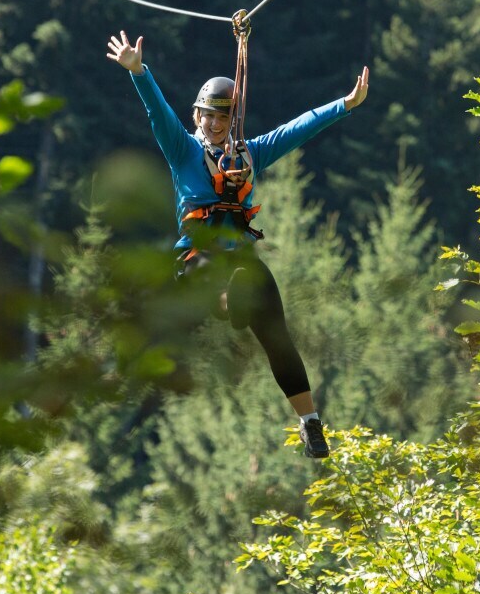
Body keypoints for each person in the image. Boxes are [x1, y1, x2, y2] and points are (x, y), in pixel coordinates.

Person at [106, 30, 369, 459]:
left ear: (233, 121)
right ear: (196, 115)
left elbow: (296, 129)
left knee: (277, 336)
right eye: (208, 116)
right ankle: (229, 302)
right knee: (212, 276)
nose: (214, 124)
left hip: (241, 259)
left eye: (223, 118)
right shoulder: (183, 150)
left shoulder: (251, 154)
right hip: (198, 258)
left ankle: (310, 422)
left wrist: (345, 104)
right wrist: (139, 71)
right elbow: (158, 113)